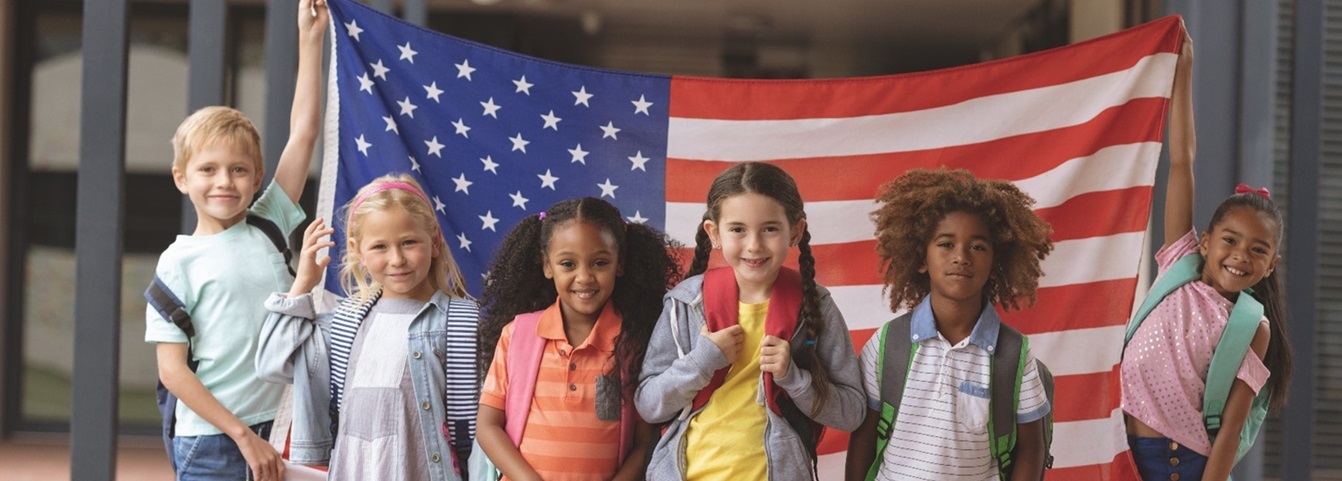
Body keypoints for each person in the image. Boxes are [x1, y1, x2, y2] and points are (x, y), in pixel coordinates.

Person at [145, 1, 325, 479]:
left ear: (257, 176)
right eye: (208, 169)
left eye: (238, 170)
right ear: (182, 178)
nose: (224, 181)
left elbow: (304, 133)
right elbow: (173, 372)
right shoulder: (177, 262)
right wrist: (243, 437)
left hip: (283, 429)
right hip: (212, 443)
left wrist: (311, 40)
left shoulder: (267, 223)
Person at [1120, 32, 1293, 481]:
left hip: (1182, 465)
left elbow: (1231, 429)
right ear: (1204, 242)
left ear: (1270, 266)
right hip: (1116, 448)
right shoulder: (1179, 263)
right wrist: (1184, 71)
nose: (1240, 256)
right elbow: (1182, 161)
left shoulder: (1251, 326)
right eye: (1230, 241)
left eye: (1258, 250)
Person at [636, 162, 866, 481]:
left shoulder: (816, 305)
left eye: (770, 228)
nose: (754, 245)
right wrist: (701, 361)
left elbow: (852, 413)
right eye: (738, 229)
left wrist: (794, 378)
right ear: (714, 233)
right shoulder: (685, 302)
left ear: (795, 231)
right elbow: (649, 405)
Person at [255, 174, 479, 481]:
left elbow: (479, 425)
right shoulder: (344, 324)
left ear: (435, 242)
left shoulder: (461, 322)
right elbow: (271, 363)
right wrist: (303, 283)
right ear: (357, 251)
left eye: (409, 243)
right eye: (380, 247)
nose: (397, 259)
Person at [846, 167, 1054, 481]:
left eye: (978, 246)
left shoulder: (1013, 353)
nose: (961, 256)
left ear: (995, 262)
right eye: (945, 244)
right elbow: (863, 439)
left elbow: (1032, 447)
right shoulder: (888, 344)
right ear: (920, 258)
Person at [474, 197, 682, 481]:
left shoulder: (633, 343)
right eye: (568, 264)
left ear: (619, 264)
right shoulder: (518, 334)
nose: (584, 277)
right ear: (547, 266)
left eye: (599, 263)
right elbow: (487, 427)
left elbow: (644, 442)